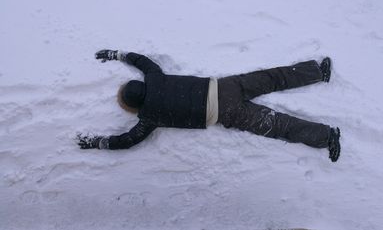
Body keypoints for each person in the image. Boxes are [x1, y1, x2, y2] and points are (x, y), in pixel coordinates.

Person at [78, 50, 341, 162]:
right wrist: (117, 54)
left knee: (276, 124)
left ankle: (326, 136)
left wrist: (98, 143)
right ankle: (317, 71)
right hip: (225, 87)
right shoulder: (154, 77)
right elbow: (142, 60)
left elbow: (127, 140)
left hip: (225, 113)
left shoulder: (149, 117)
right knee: (272, 78)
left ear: (132, 106)